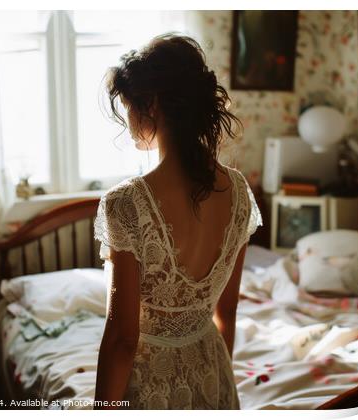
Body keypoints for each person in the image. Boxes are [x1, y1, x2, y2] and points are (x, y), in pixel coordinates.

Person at [93, 33, 262, 410]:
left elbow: (122, 338)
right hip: (213, 368)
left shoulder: (127, 204)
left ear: (151, 104)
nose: (128, 119)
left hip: (153, 385)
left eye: (128, 106)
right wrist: (217, 376)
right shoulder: (239, 193)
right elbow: (227, 312)